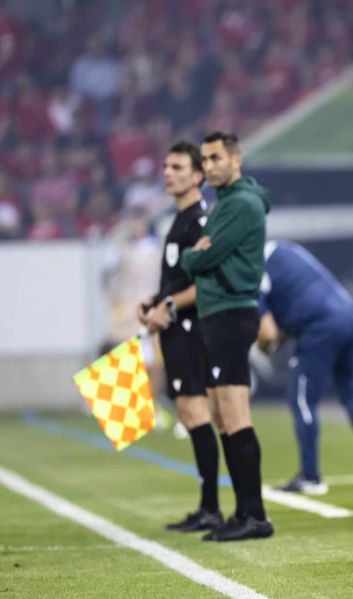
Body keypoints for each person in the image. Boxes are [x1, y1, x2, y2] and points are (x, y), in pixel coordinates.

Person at [180, 131, 273, 542]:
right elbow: (195, 256)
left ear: (236, 159)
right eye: (205, 159)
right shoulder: (224, 205)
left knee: (235, 414)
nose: (209, 165)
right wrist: (195, 253)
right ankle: (242, 512)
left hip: (233, 313)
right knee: (221, 414)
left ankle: (254, 515)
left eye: (216, 157)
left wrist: (196, 252)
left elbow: (200, 257)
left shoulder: (242, 205)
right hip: (217, 314)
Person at [256, 240, 353, 495]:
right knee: (350, 388)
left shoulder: (253, 269)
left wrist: (262, 347)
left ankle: (310, 476)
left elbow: (269, 333)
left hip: (319, 327)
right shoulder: (283, 248)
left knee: (302, 400)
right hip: (349, 315)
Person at [137, 141, 222, 533]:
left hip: (190, 329)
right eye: (166, 166)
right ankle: (208, 505)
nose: (168, 172)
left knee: (195, 413)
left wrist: (167, 308)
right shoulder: (176, 220)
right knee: (189, 414)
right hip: (173, 329)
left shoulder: (199, 221)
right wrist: (154, 301)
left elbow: (204, 284)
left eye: (177, 167)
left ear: (198, 176)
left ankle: (212, 507)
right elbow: (176, 281)